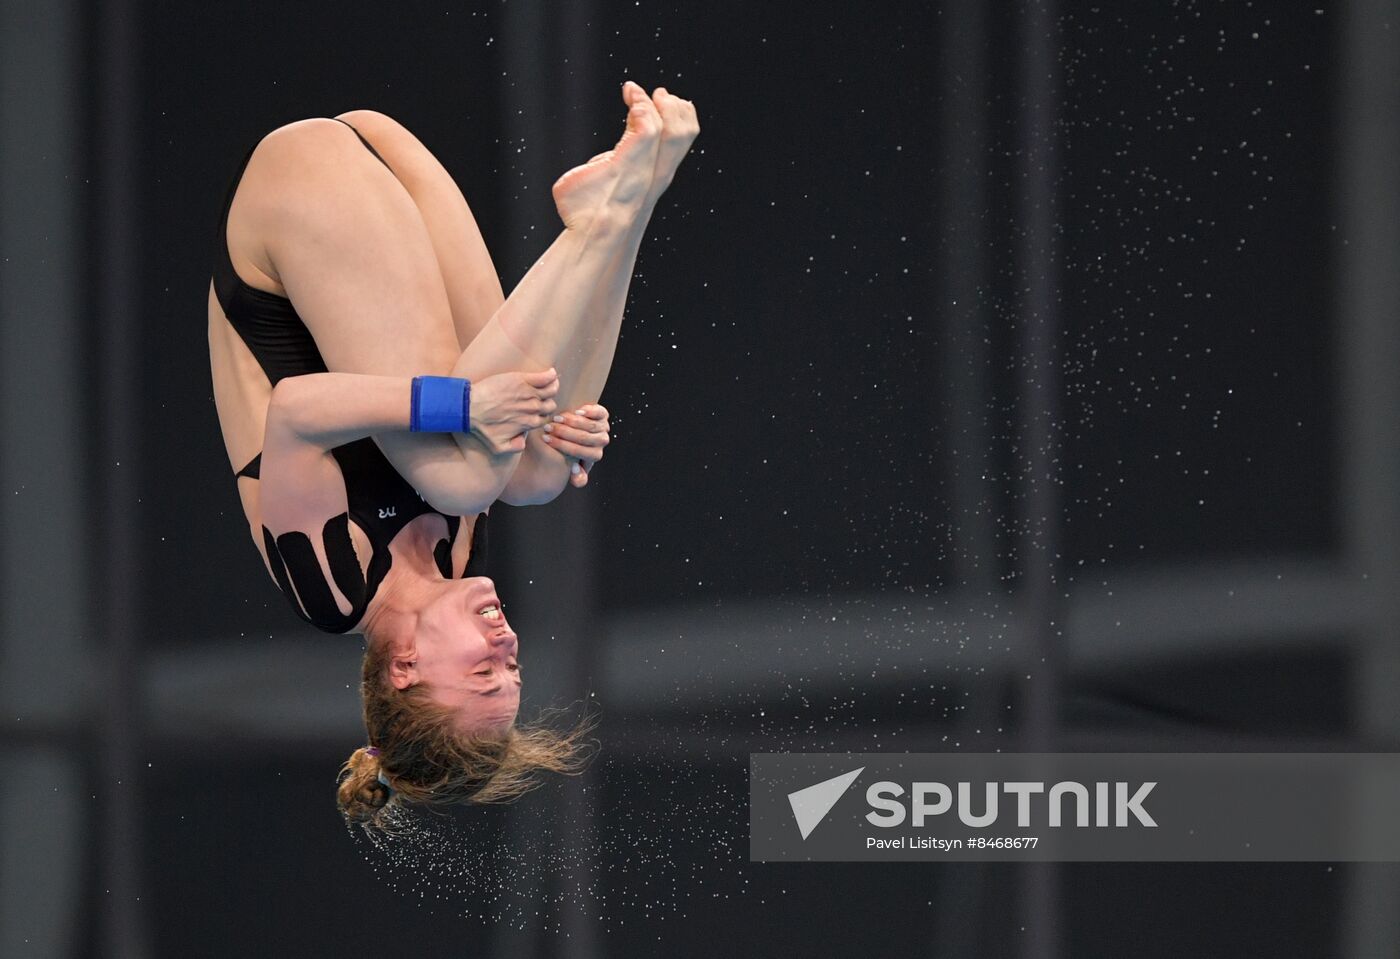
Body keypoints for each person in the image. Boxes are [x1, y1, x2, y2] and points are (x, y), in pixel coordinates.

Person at [207, 81, 699, 828]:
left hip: (293, 194)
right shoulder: (458, 556)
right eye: (514, 668)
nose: (507, 641)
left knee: (470, 471)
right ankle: (630, 207)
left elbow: (296, 412)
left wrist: (462, 407)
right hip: (385, 159)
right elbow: (526, 414)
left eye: (482, 667)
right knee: (534, 475)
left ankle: (604, 223)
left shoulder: (332, 587)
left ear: (404, 668)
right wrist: (567, 434)